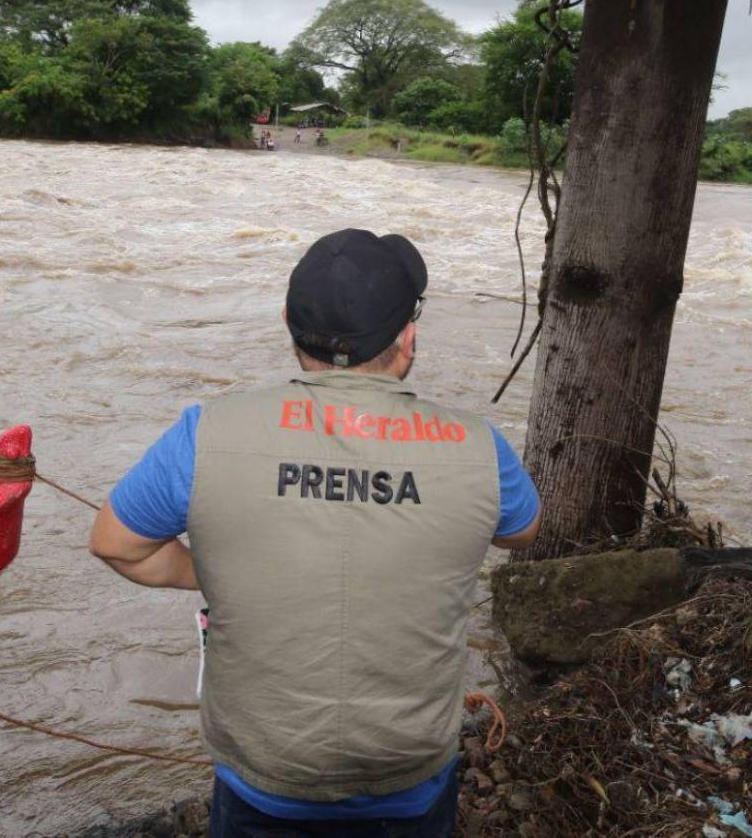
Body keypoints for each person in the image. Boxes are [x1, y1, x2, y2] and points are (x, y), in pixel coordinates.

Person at [89, 228, 541, 837]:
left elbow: (116, 543)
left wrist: (217, 571)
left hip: (267, 777)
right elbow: (523, 532)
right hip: (408, 776)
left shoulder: (206, 432)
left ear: (288, 324)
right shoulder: (482, 448)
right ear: (407, 339)